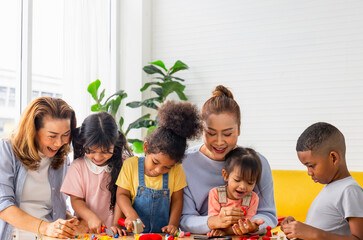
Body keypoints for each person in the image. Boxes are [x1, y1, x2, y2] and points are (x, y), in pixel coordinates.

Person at [180, 85, 277, 235]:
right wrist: (214, 221)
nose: (219, 142)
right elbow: (184, 219)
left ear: (239, 129)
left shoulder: (258, 162)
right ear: (201, 129)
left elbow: (269, 214)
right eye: (211, 133)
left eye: (227, 134)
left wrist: (254, 225)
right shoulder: (185, 163)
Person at [116, 100, 201, 236]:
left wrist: (173, 224)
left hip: (162, 236)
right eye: (155, 162)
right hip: (133, 235)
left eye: (167, 167)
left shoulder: (177, 170)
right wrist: (130, 215)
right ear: (146, 148)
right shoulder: (131, 165)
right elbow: (121, 195)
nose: (159, 170)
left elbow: (178, 200)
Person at [0, 97, 80, 240]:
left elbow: (56, 209)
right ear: (33, 130)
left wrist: (72, 223)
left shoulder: (61, 161)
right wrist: (46, 227)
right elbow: (3, 206)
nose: (58, 143)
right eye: (52, 136)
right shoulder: (6, 151)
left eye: (65, 135)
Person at [281, 122, 363, 239]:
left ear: (333, 158)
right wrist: (297, 228)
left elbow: (361, 238)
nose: (309, 172)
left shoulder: (350, 190)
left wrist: (314, 234)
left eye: (311, 165)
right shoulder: (331, 187)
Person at [61, 112, 132, 236]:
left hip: (118, 233)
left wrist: (116, 224)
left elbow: (123, 196)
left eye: (105, 151)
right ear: (83, 143)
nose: (98, 157)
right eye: (91, 151)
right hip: (87, 230)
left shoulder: (126, 163)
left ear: (114, 143)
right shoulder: (78, 166)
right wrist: (90, 217)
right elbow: (76, 200)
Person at [208, 147, 262, 236]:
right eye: (237, 180)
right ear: (225, 175)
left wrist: (226, 232)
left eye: (250, 182)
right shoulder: (215, 194)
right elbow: (214, 222)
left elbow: (246, 226)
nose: (243, 187)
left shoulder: (253, 198)